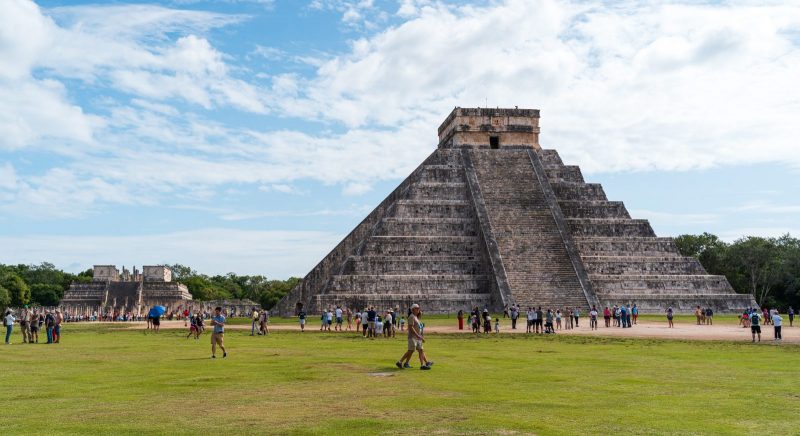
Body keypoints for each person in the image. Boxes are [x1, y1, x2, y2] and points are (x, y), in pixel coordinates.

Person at [396, 304, 433, 370]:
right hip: (413, 337)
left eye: (418, 308)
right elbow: (411, 327)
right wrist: (418, 335)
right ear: (413, 309)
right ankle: (400, 361)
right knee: (411, 350)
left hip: (418, 337)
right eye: (417, 308)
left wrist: (420, 336)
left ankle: (422, 365)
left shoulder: (416, 317)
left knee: (421, 350)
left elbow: (418, 327)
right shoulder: (412, 317)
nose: (418, 309)